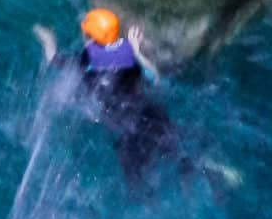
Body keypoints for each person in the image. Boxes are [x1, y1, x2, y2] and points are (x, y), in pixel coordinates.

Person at [32, 9, 182, 187]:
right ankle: (208, 167)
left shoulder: (85, 61)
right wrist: (137, 52)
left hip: (127, 132)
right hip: (150, 114)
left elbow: (53, 58)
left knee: (139, 187)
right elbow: (154, 78)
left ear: (90, 38)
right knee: (180, 154)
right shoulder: (129, 54)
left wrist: (46, 37)